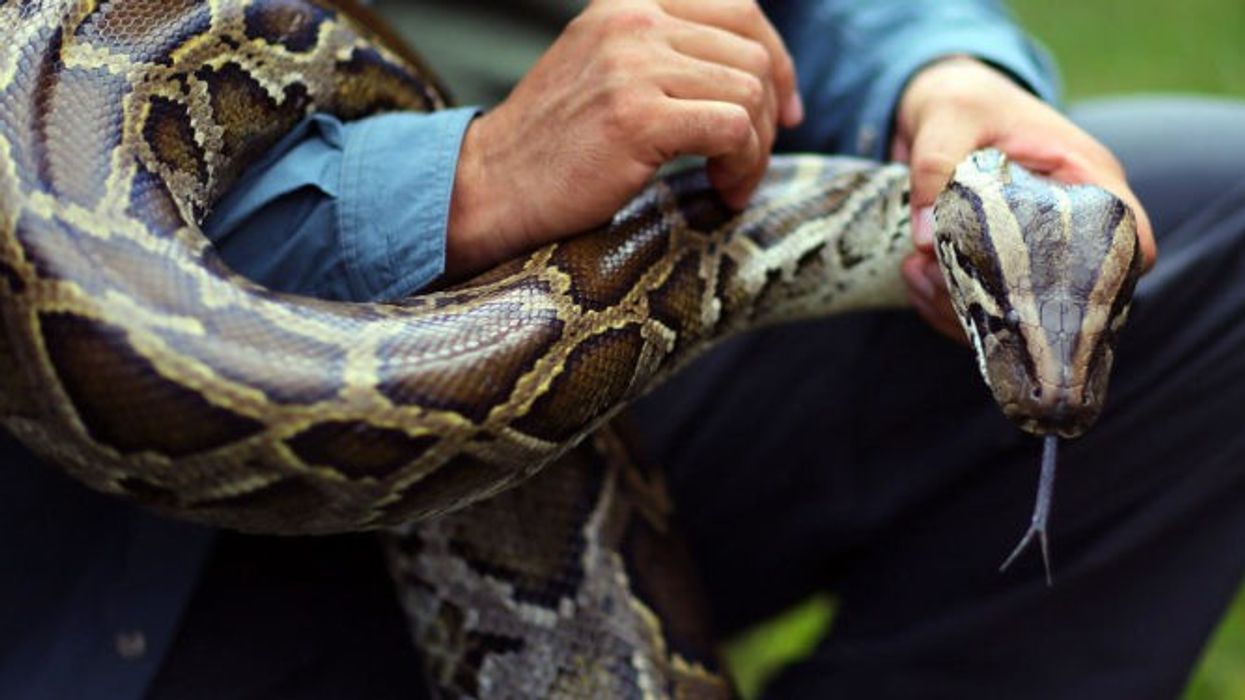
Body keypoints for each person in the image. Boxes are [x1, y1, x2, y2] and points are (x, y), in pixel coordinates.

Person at [2, 1, 1242, 699]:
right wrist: (464, 178)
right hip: (134, 556)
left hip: (584, 330)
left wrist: (941, 75)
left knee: (1219, 215)